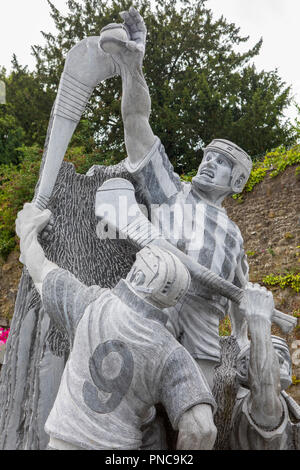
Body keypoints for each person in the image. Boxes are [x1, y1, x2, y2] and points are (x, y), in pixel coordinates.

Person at [93, 7, 253, 389]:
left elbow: (241, 293)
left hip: (202, 325)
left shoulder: (233, 236)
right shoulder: (171, 192)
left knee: (197, 417)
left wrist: (245, 339)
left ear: (238, 182)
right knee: (132, 408)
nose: (209, 164)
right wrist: (133, 68)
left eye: (222, 163)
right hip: (153, 301)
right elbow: (136, 121)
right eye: (208, 156)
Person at [15, 202, 217, 450]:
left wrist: (28, 229)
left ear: (137, 274)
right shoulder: (171, 353)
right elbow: (201, 428)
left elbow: (39, 268)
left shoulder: (90, 304)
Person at [230, 283, 300, 450]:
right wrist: (259, 320)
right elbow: (264, 388)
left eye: (285, 355)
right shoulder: (249, 405)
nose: (281, 361)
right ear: (242, 368)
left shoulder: (292, 411)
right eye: (273, 353)